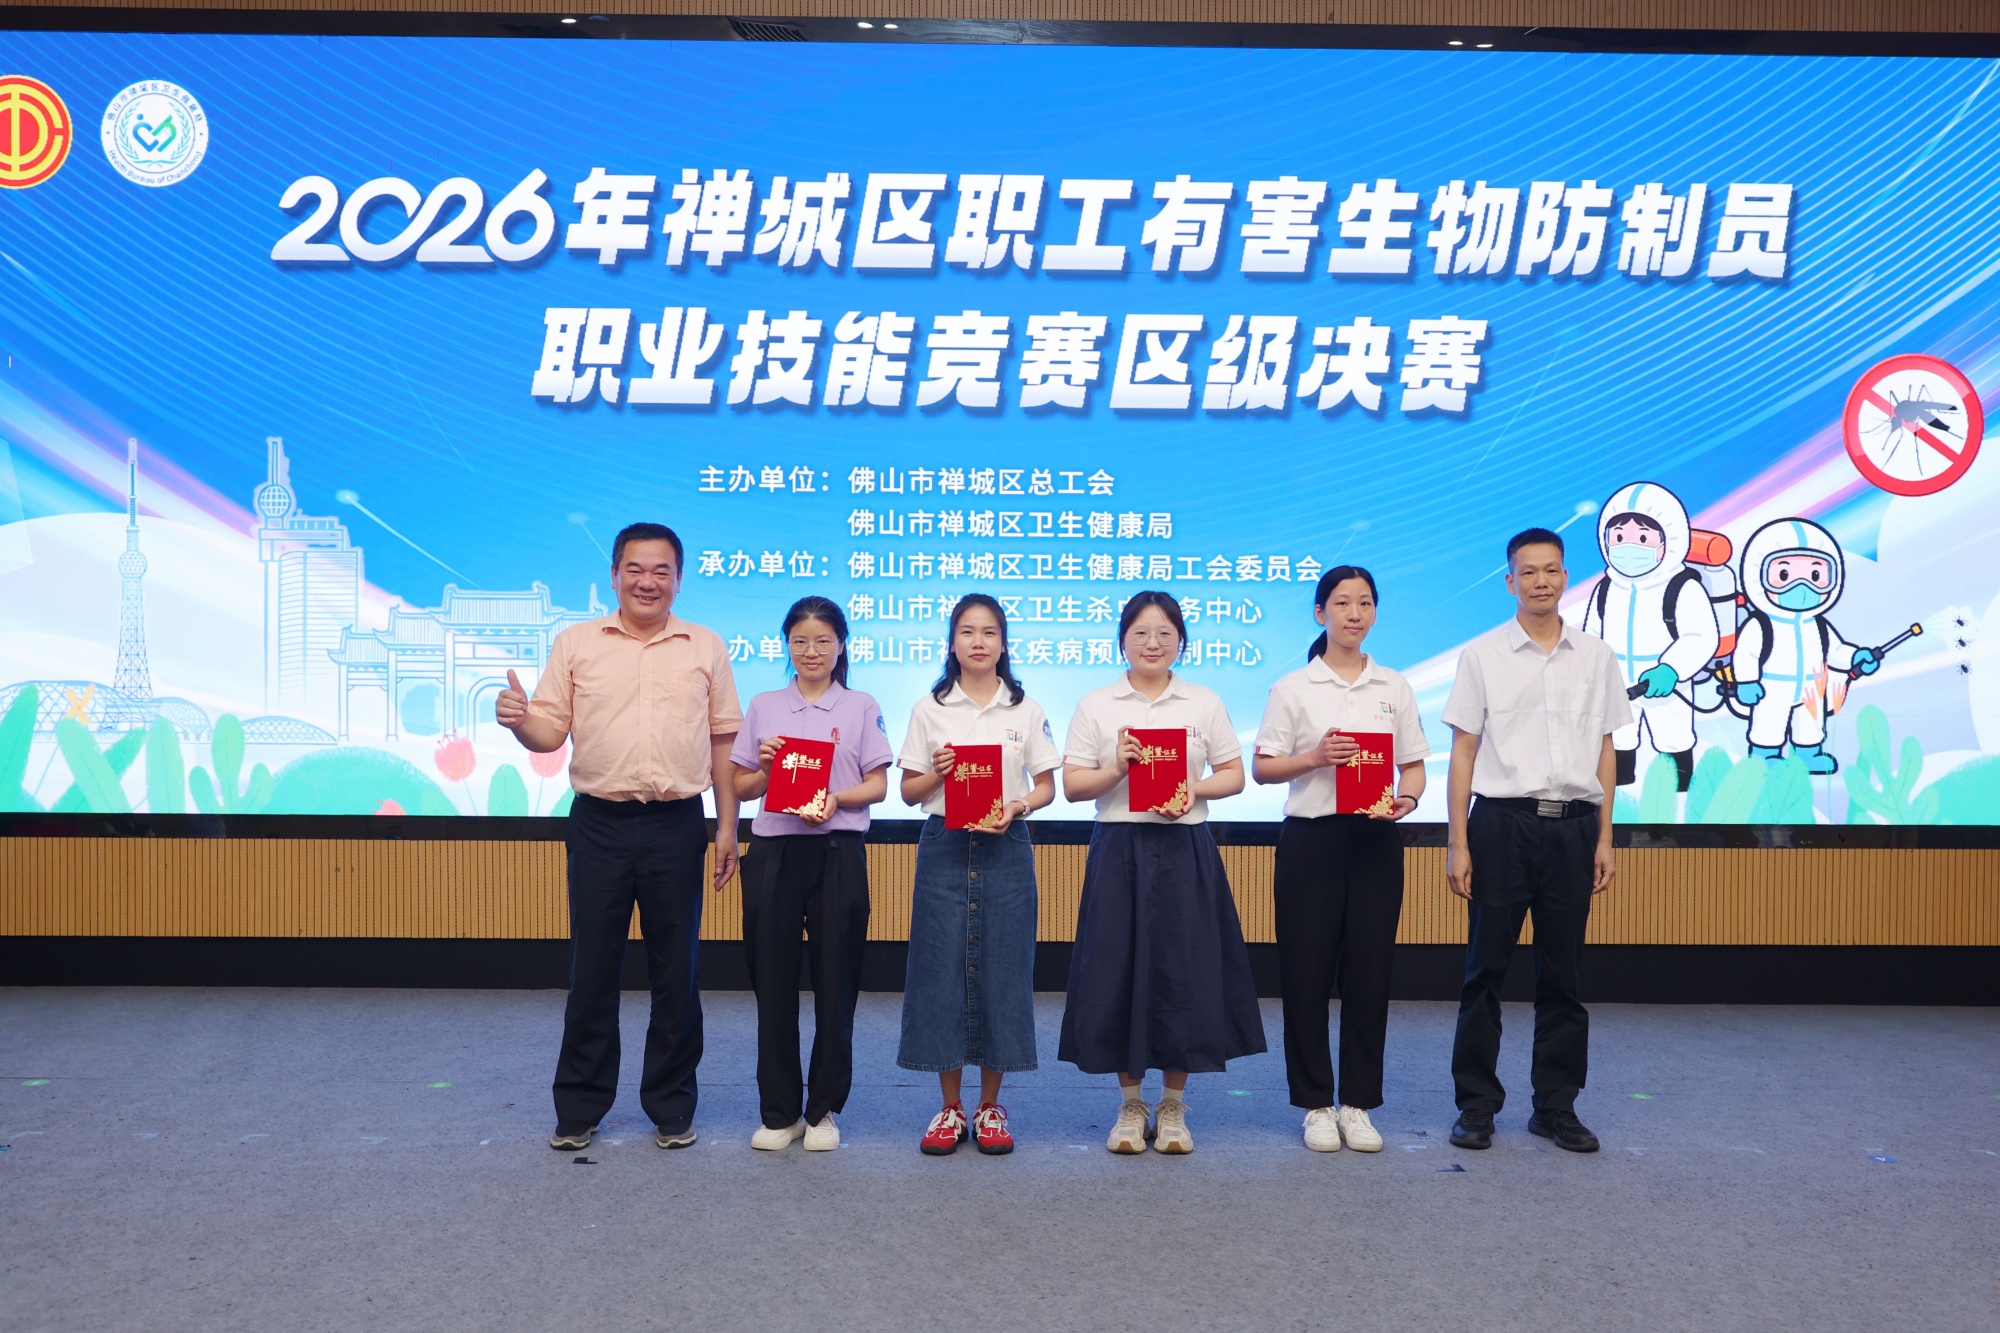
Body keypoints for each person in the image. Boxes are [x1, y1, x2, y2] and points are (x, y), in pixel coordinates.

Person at [496, 522, 742, 1154]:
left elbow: (723, 743)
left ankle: (672, 1106)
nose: (647, 582)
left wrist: (727, 826)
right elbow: (549, 734)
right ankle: (580, 1107)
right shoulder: (577, 643)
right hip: (598, 825)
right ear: (614, 576)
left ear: (679, 580)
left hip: (677, 824)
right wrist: (520, 722)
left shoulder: (706, 646)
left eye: (661, 571)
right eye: (635, 569)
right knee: (593, 972)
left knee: (677, 974)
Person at [1442, 528, 1631, 1154]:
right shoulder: (1482, 656)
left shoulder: (1597, 656)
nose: (1541, 581)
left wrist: (1605, 836)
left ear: (1565, 577)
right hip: (1502, 825)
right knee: (1485, 972)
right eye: (1528, 572)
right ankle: (1476, 1106)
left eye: (1551, 570)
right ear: (1510, 582)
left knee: (1562, 977)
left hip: (1575, 828)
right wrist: (1459, 842)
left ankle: (1556, 1107)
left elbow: (1606, 749)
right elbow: (1463, 750)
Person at [1058, 591, 1264, 1155]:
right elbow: (1073, 786)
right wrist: (1116, 767)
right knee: (1116, 973)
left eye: (1165, 633)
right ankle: (1130, 1106)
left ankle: (1173, 1105)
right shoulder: (1097, 703)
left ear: (1181, 641)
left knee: (1185, 973)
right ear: (1122, 640)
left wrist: (1191, 789)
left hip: (1184, 849)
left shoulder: (1203, 701)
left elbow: (1234, 774)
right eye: (1141, 633)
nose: (1153, 643)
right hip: (1119, 848)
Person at [1252, 566, 1429, 1154]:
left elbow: (1413, 767)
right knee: (1305, 977)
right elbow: (1263, 767)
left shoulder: (1393, 686)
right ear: (1319, 612)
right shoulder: (1292, 688)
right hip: (1312, 841)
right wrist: (1315, 757)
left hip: (1375, 840)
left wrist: (1408, 799)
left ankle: (1357, 1104)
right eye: (1342, 603)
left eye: (1365, 603)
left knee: (1370, 976)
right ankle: (1314, 1105)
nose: (1354, 613)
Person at [895, 594, 1060, 1156]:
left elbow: (1047, 785)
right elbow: (909, 791)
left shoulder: (1025, 709)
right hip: (944, 845)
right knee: (940, 973)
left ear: (1004, 643)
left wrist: (1019, 805)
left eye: (989, 632)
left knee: (1003, 973)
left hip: (1006, 846)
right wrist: (938, 774)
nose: (979, 642)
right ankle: (950, 1108)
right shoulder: (930, 708)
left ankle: (990, 1106)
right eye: (967, 632)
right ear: (951, 643)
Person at [729, 596, 893, 1153]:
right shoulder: (764, 705)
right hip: (774, 853)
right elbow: (740, 785)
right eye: (800, 641)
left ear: (841, 646)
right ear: (787, 645)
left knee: (836, 984)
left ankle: (822, 1111)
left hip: (837, 851)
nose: (811, 651)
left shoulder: (861, 706)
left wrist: (836, 799)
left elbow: (878, 785)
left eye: (823, 641)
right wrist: (766, 767)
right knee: (772, 983)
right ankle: (779, 1113)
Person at [1577, 482, 1721, 792]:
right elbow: (1591, 636)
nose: (1628, 548)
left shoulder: (1683, 587)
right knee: (1618, 740)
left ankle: (1679, 797)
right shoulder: (1606, 587)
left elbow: (1701, 636)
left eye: (1643, 538)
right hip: (1615, 682)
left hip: (1665, 684)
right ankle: (1618, 800)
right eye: (1618, 537)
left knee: (1673, 739)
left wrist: (1672, 668)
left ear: (1669, 540)